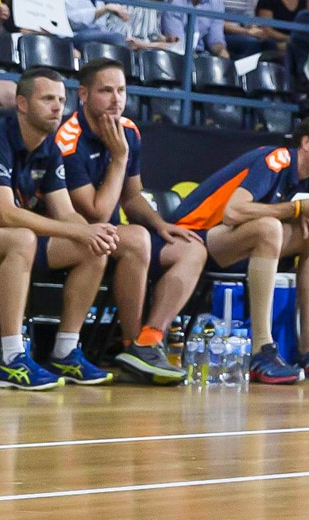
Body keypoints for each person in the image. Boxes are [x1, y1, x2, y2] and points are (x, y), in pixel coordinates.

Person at [0, 68, 144, 390]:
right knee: (22, 238)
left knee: (94, 246)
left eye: (62, 100)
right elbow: (5, 214)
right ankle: (12, 358)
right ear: (22, 104)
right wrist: (78, 231)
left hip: (0, 238)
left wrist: (91, 232)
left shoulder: (49, 148)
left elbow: (66, 213)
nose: (57, 107)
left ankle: (65, 351)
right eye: (47, 98)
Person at [170, 115, 309, 383]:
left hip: (227, 245)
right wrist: (298, 209)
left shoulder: (299, 180)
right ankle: (261, 349)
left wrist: (300, 214)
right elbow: (233, 212)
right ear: (306, 143)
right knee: (269, 228)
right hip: (194, 238)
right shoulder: (277, 159)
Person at [52, 59, 203, 383]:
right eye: (106, 91)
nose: (116, 99)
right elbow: (96, 214)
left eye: (121, 90)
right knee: (135, 238)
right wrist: (119, 158)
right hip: (72, 234)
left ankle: (151, 339)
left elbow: (132, 197)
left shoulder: (129, 131)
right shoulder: (69, 140)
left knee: (191, 247)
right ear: (84, 94)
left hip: (108, 232)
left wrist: (160, 224)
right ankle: (131, 345)